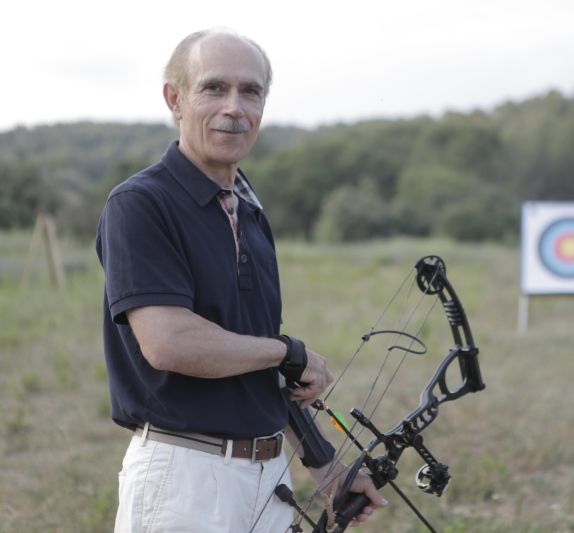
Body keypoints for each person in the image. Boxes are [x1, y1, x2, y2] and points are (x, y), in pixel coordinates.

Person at [96, 28, 386, 532]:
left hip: (267, 478)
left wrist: (327, 467)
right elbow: (170, 343)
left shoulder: (247, 208)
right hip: (184, 481)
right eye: (214, 88)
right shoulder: (140, 204)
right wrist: (287, 352)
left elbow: (251, 358)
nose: (235, 107)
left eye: (251, 91)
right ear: (176, 98)